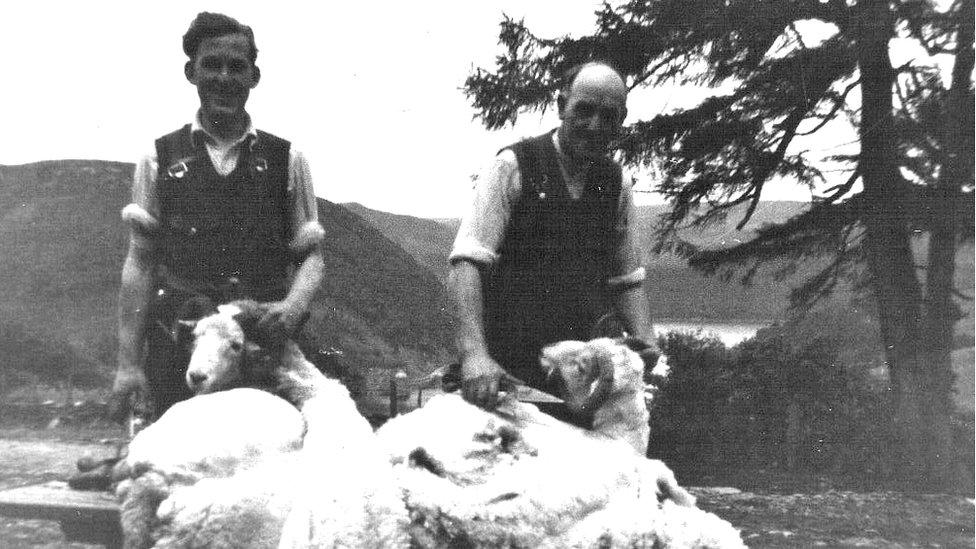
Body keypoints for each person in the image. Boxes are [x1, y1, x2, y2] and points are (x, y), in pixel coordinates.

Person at [110, 12, 325, 422]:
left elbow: (311, 257)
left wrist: (294, 306)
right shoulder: (159, 158)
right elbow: (139, 264)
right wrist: (128, 365)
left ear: (254, 76)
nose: (224, 77)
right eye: (212, 65)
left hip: (260, 351)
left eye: (236, 67)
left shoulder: (287, 159)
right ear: (192, 72)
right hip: (181, 354)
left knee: (267, 465)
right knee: (171, 468)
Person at [448, 61, 660, 423]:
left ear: (621, 120)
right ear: (562, 106)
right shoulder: (513, 166)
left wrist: (646, 348)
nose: (595, 126)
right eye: (584, 110)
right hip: (506, 374)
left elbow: (627, 281)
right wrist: (473, 355)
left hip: (580, 380)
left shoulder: (616, 183)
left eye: (608, 116)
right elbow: (466, 265)